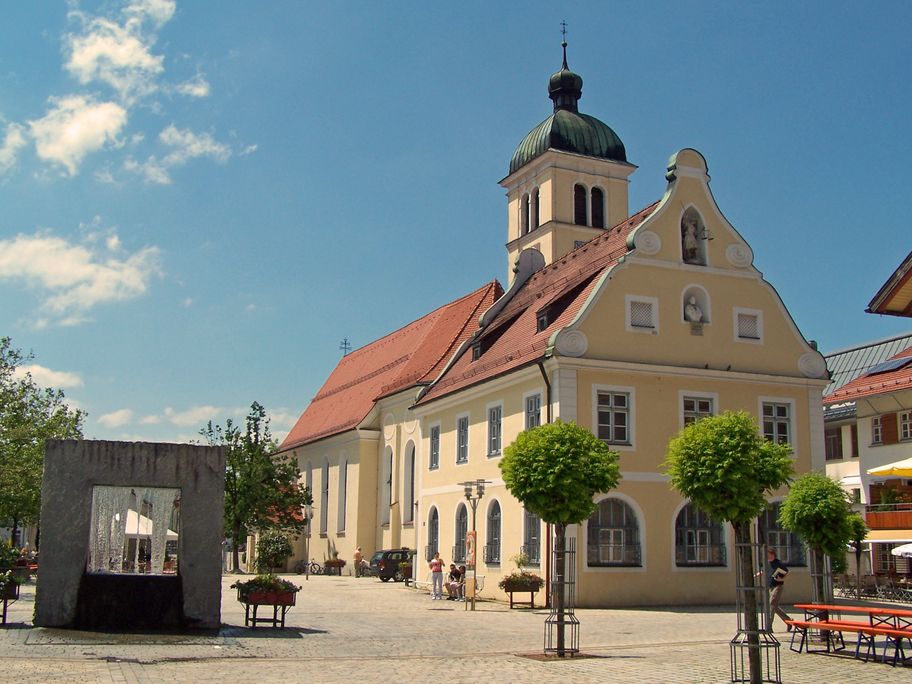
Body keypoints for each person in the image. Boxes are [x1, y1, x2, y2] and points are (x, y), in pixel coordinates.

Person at [765, 547, 791, 631]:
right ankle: (789, 621)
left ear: (772, 554)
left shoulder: (778, 563)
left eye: (768, 555)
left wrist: (781, 579)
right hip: (770, 587)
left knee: (772, 603)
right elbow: (765, 571)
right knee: (774, 606)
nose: (767, 556)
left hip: (778, 586)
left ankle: (769, 627)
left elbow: (787, 572)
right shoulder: (768, 563)